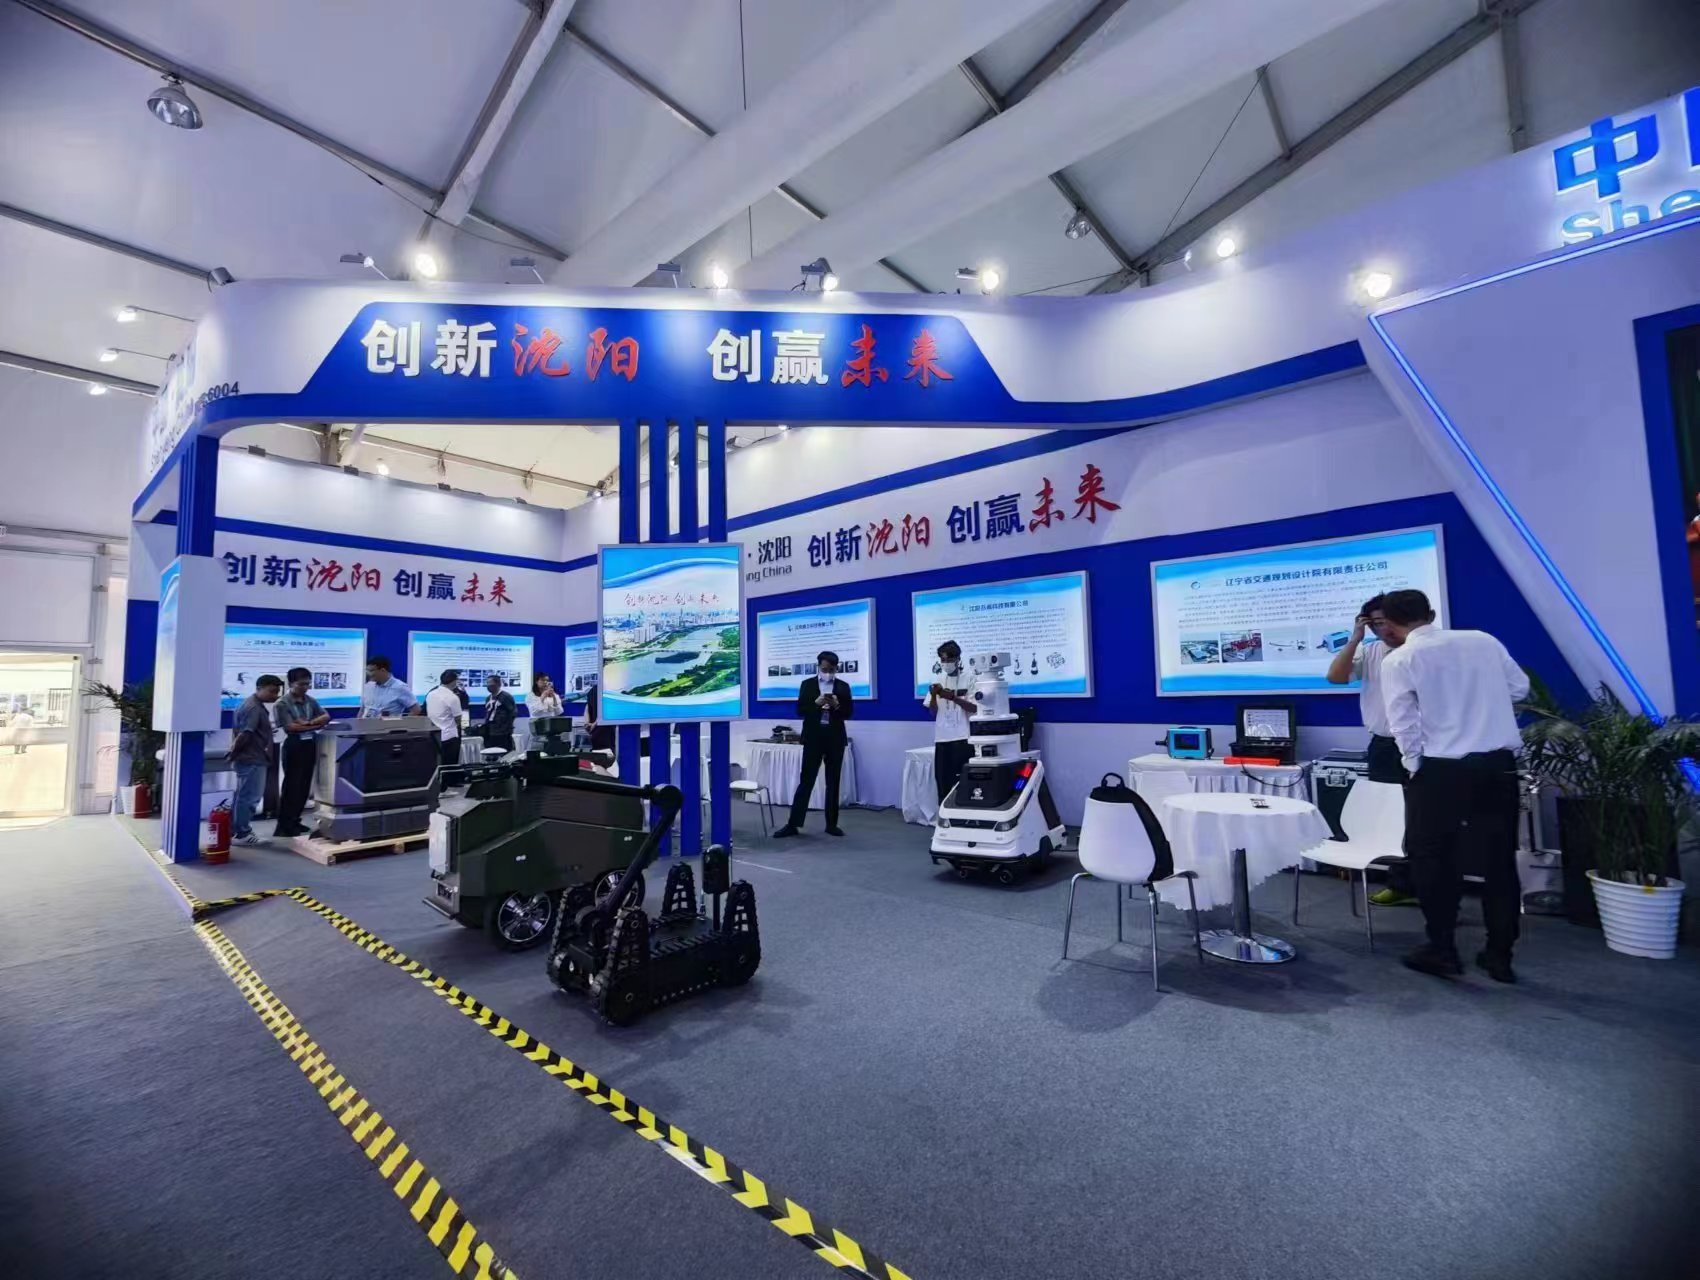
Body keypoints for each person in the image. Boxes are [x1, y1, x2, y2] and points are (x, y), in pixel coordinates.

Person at [1377, 589, 1530, 984]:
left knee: (1432, 859)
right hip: (1498, 766)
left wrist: (1414, 767)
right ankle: (1500, 955)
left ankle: (1442, 948)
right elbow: (1520, 689)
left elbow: (1403, 723)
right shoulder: (1483, 641)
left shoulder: (1400, 659)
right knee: (1500, 860)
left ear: (1389, 623)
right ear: (1430, 614)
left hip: (1441, 770)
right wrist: (1482, 707)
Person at [1326, 593, 1417, 907]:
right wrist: (1355, 638)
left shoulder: (1424, 651)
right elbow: (1335, 677)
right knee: (1392, 818)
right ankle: (1400, 883)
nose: (1384, 629)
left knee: (1425, 818)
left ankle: (1434, 886)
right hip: (1385, 747)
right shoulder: (1371, 651)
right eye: (1376, 623)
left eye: (1389, 622)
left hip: (1426, 746)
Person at [774, 651, 853, 839]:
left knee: (833, 782)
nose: (828, 673)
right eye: (825, 669)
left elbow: (849, 713)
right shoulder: (807, 685)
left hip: (834, 739)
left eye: (831, 670)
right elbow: (800, 710)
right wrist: (816, 703)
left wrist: (837, 705)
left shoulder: (843, 686)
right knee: (806, 781)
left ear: (836, 668)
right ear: (818, 667)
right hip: (813, 739)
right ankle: (793, 824)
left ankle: (832, 824)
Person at [273, 667, 330, 837]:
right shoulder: (282, 704)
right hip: (294, 746)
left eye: (307, 684)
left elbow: (326, 716)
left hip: (309, 744)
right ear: (291, 683)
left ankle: (295, 820)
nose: (305, 687)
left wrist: (308, 723)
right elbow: (291, 727)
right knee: (292, 786)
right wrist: (314, 725)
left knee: (304, 785)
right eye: (301, 684)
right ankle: (284, 825)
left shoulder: (310, 701)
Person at [230, 674, 283, 846]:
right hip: (252, 758)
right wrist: (234, 752)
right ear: (259, 688)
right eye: (272, 691)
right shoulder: (253, 707)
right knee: (249, 798)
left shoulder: (251, 704)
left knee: (243, 796)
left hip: (251, 757)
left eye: (277, 692)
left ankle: (237, 830)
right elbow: (245, 734)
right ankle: (242, 834)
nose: (275, 696)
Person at [926, 640, 976, 803]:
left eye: (949, 660)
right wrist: (934, 696)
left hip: (963, 738)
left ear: (958, 659)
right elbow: (932, 712)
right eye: (943, 660)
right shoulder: (938, 679)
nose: (946, 663)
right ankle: (944, 813)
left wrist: (954, 698)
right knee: (943, 783)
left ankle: (964, 812)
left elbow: (975, 708)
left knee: (963, 782)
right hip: (942, 738)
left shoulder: (970, 678)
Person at [425, 669, 463, 766]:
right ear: (454, 681)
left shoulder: (430, 694)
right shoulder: (452, 697)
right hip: (450, 736)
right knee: (450, 765)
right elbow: (458, 719)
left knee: (437, 763)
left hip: (434, 734)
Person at [481, 674, 517, 754]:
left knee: (504, 753)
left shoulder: (506, 696)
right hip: (490, 731)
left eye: (490, 683)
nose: (488, 686)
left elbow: (513, 713)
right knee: (491, 753)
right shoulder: (488, 698)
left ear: (498, 684)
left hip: (503, 732)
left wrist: (506, 727)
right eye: (487, 683)